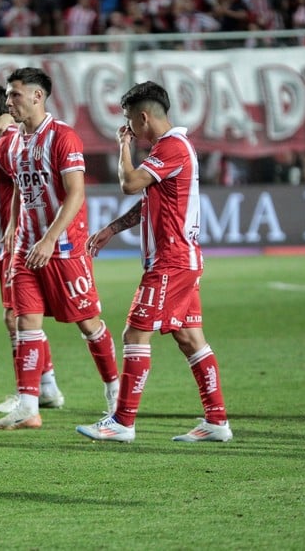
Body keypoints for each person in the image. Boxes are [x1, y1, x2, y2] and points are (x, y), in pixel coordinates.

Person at [76, 81, 233, 443]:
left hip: (171, 262)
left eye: (130, 121)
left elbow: (130, 183)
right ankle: (217, 421)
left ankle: (122, 421)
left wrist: (122, 146)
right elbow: (149, 200)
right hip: (181, 259)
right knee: (190, 337)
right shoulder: (171, 150)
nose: (129, 128)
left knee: (134, 333)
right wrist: (113, 228)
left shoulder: (172, 147)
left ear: (143, 117)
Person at [0, 67, 120, 431]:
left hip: (62, 249)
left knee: (88, 324)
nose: (8, 101)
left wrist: (49, 238)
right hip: (27, 249)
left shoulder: (63, 137)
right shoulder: (14, 141)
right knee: (24, 321)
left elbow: (76, 193)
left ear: (37, 96)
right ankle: (29, 406)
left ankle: (115, 392)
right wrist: (15, 223)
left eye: (14, 95)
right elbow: (18, 187)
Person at [0, 82, 66, 416]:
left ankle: (31, 392)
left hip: (15, 239)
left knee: (17, 317)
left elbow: (29, 186)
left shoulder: (11, 139)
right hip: (4, 238)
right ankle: (46, 386)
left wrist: (8, 122)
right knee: (20, 318)